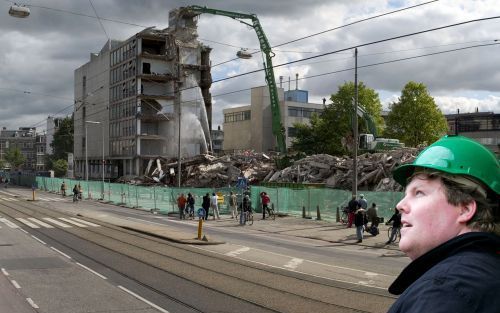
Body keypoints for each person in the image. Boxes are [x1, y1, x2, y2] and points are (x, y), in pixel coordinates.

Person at [387, 135, 500, 313]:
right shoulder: (485, 271)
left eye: (419, 193)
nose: (400, 205)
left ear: (464, 209)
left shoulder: (443, 292)